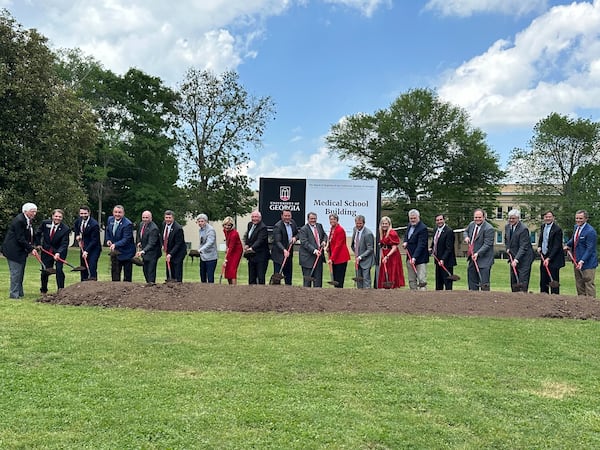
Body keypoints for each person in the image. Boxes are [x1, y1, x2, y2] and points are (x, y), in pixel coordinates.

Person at [1, 202, 39, 299]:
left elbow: (29, 235)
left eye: (35, 212)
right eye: (32, 211)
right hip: (13, 251)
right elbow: (20, 238)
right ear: (25, 211)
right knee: (16, 273)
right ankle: (14, 295)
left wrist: (33, 246)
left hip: (21, 251)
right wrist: (31, 249)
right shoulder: (19, 220)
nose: (34, 214)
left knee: (21, 272)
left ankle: (20, 293)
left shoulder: (28, 220)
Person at [564, 209, 598, 297]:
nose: (578, 220)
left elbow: (590, 249)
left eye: (580, 218)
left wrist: (582, 261)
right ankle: (582, 304)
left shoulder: (590, 231)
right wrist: (568, 245)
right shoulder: (576, 227)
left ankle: (591, 304)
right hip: (576, 260)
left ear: (586, 219)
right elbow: (575, 239)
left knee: (588, 283)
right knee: (579, 284)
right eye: (577, 218)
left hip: (587, 263)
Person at [36, 209, 70, 294]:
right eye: (56, 216)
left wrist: (58, 253)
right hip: (46, 250)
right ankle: (43, 290)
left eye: (60, 217)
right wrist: (38, 244)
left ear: (62, 218)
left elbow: (64, 243)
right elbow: (38, 233)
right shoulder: (45, 223)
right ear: (52, 216)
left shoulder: (65, 229)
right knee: (45, 270)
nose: (57, 218)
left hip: (59, 251)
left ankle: (61, 290)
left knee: (59, 269)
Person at [463, 208, 495, 291]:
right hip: (472, 259)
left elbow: (487, 244)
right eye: (476, 217)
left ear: (484, 217)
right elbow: (465, 231)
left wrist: (478, 253)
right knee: (472, 282)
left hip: (484, 260)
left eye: (479, 217)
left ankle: (485, 301)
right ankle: (473, 300)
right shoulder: (471, 224)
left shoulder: (489, 229)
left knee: (484, 284)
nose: (477, 219)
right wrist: (466, 237)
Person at [504, 209, 535, 292]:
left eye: (513, 218)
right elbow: (507, 239)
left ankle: (523, 296)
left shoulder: (523, 229)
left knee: (522, 279)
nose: (511, 220)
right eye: (509, 218)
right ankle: (514, 297)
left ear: (518, 218)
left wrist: (516, 260)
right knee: (513, 277)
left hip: (525, 258)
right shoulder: (507, 227)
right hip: (513, 256)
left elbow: (523, 246)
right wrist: (507, 248)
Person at [105, 205, 136, 282]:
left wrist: (115, 244)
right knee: (115, 274)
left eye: (119, 212)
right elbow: (108, 231)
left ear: (123, 213)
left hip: (127, 252)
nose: (117, 214)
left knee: (127, 277)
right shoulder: (110, 220)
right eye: (115, 212)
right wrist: (108, 239)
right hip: (116, 253)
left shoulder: (128, 224)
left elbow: (126, 239)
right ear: (113, 212)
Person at [537, 210, 565, 294]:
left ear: (553, 218)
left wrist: (549, 258)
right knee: (543, 279)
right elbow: (542, 239)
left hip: (554, 258)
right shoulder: (543, 227)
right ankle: (544, 296)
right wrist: (539, 246)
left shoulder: (557, 230)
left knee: (553, 280)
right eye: (546, 217)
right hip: (544, 256)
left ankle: (555, 298)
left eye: (549, 217)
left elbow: (557, 246)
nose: (548, 218)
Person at [298, 212, 327, 287]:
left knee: (318, 282)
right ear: (308, 219)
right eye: (311, 219)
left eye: (314, 218)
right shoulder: (303, 229)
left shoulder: (319, 226)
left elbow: (324, 235)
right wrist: (314, 250)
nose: (313, 220)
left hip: (318, 258)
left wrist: (324, 241)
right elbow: (304, 243)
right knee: (307, 282)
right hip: (307, 259)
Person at [402, 209, 429, 290]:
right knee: (411, 279)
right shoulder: (409, 226)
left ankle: (422, 297)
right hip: (409, 256)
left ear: (418, 217)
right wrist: (405, 242)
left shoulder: (423, 228)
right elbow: (407, 237)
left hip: (420, 258)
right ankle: (413, 297)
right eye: (411, 218)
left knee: (421, 280)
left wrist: (414, 257)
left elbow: (421, 244)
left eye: (414, 218)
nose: (412, 220)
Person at [73, 205, 101, 281]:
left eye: (85, 213)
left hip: (94, 248)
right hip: (84, 246)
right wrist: (77, 235)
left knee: (91, 266)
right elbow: (76, 227)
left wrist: (87, 251)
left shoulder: (94, 224)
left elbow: (94, 240)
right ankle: (83, 283)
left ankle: (92, 282)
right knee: (83, 266)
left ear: (89, 213)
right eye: (81, 213)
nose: (83, 215)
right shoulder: (78, 221)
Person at [271, 209, 298, 285]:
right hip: (279, 255)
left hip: (289, 254)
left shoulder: (293, 223)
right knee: (277, 276)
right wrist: (284, 250)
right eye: (285, 216)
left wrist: (295, 238)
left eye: (289, 215)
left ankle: (288, 292)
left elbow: (297, 233)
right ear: (282, 216)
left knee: (288, 276)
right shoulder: (277, 226)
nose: (287, 217)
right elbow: (277, 241)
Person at [430, 214, 457, 290]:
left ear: (444, 220)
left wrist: (443, 259)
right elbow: (435, 241)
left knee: (447, 281)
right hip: (437, 260)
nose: (439, 222)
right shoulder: (435, 230)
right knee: (439, 281)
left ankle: (448, 298)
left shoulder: (449, 231)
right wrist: (431, 248)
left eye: (440, 219)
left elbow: (449, 248)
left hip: (446, 261)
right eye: (437, 220)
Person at [377, 216, 405, 289]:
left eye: (386, 223)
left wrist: (387, 256)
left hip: (392, 256)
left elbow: (394, 247)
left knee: (392, 270)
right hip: (385, 253)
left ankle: (393, 286)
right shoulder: (382, 233)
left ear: (389, 224)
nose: (384, 225)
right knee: (384, 270)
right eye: (383, 223)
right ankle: (385, 286)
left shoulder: (392, 233)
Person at [243, 210, 270, 284]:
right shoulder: (250, 225)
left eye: (256, 217)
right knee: (251, 277)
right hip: (251, 256)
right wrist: (247, 244)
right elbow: (248, 237)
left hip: (261, 256)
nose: (254, 219)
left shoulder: (263, 228)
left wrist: (252, 248)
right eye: (253, 217)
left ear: (260, 218)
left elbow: (260, 240)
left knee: (260, 277)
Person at [135, 210, 161, 284]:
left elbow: (151, 243)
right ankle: (148, 285)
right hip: (145, 253)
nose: (145, 219)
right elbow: (139, 235)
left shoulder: (154, 229)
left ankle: (151, 287)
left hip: (153, 254)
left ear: (151, 218)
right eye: (143, 217)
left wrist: (143, 251)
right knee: (145, 270)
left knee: (150, 272)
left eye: (147, 217)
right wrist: (139, 242)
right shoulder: (141, 224)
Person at [161, 210, 186, 282]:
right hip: (169, 251)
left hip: (178, 253)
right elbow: (163, 236)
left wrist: (171, 254)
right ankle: (169, 284)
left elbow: (178, 244)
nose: (168, 219)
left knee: (176, 270)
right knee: (169, 269)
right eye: (166, 217)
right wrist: (163, 245)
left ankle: (178, 285)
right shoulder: (163, 224)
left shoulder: (178, 229)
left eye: (169, 218)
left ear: (173, 218)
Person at [327, 213, 350, 288]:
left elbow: (338, 245)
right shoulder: (332, 229)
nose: (332, 221)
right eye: (331, 219)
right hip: (334, 257)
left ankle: (339, 293)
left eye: (334, 219)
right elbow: (331, 241)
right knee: (335, 277)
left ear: (337, 220)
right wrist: (328, 247)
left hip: (341, 257)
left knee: (339, 278)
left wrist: (331, 258)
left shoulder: (340, 230)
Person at [351, 215, 375, 289]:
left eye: (360, 223)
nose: (358, 225)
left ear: (364, 223)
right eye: (357, 223)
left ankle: (367, 296)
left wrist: (361, 257)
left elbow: (370, 249)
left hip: (366, 260)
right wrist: (356, 255)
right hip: (357, 259)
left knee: (366, 280)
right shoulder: (355, 229)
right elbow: (354, 244)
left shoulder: (368, 233)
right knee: (359, 280)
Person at [196, 213, 218, 283]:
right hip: (203, 257)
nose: (200, 223)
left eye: (202, 221)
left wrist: (200, 250)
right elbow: (202, 242)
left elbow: (210, 242)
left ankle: (211, 291)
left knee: (210, 276)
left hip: (211, 257)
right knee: (202, 275)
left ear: (206, 221)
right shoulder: (201, 230)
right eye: (199, 221)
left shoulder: (210, 230)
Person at [222, 216, 243, 284]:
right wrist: (226, 247)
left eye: (229, 225)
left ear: (232, 226)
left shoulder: (234, 234)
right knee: (227, 269)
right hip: (230, 248)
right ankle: (230, 286)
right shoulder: (225, 231)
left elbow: (231, 247)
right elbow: (227, 241)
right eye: (225, 225)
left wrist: (225, 259)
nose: (227, 227)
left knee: (232, 269)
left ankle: (234, 287)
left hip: (237, 251)